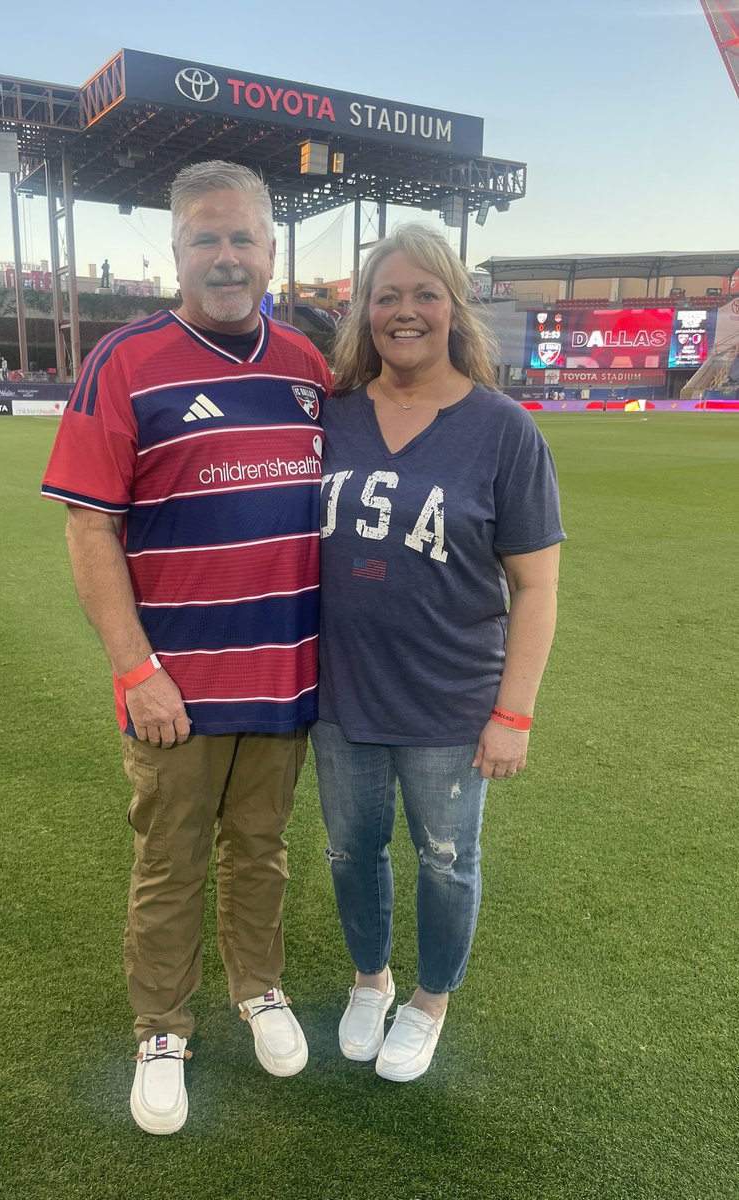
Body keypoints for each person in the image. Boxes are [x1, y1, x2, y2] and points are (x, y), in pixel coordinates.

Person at [41, 161, 331, 1135]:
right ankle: (163, 1029)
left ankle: (258, 988)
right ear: (174, 252)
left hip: (284, 671)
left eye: (242, 237)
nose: (225, 255)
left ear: (270, 251)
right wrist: (136, 670)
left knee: (262, 850)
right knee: (169, 863)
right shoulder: (123, 362)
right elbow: (88, 532)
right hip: (176, 687)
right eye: (204, 238)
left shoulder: (305, 363)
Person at [312, 224, 564, 1083]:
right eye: (387, 296)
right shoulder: (332, 416)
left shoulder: (503, 431)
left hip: (451, 703)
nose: (405, 311)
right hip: (341, 696)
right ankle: (370, 980)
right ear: (364, 311)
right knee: (351, 850)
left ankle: (430, 1002)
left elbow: (535, 588)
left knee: (448, 861)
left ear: (455, 307)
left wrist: (514, 714)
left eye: (425, 293)